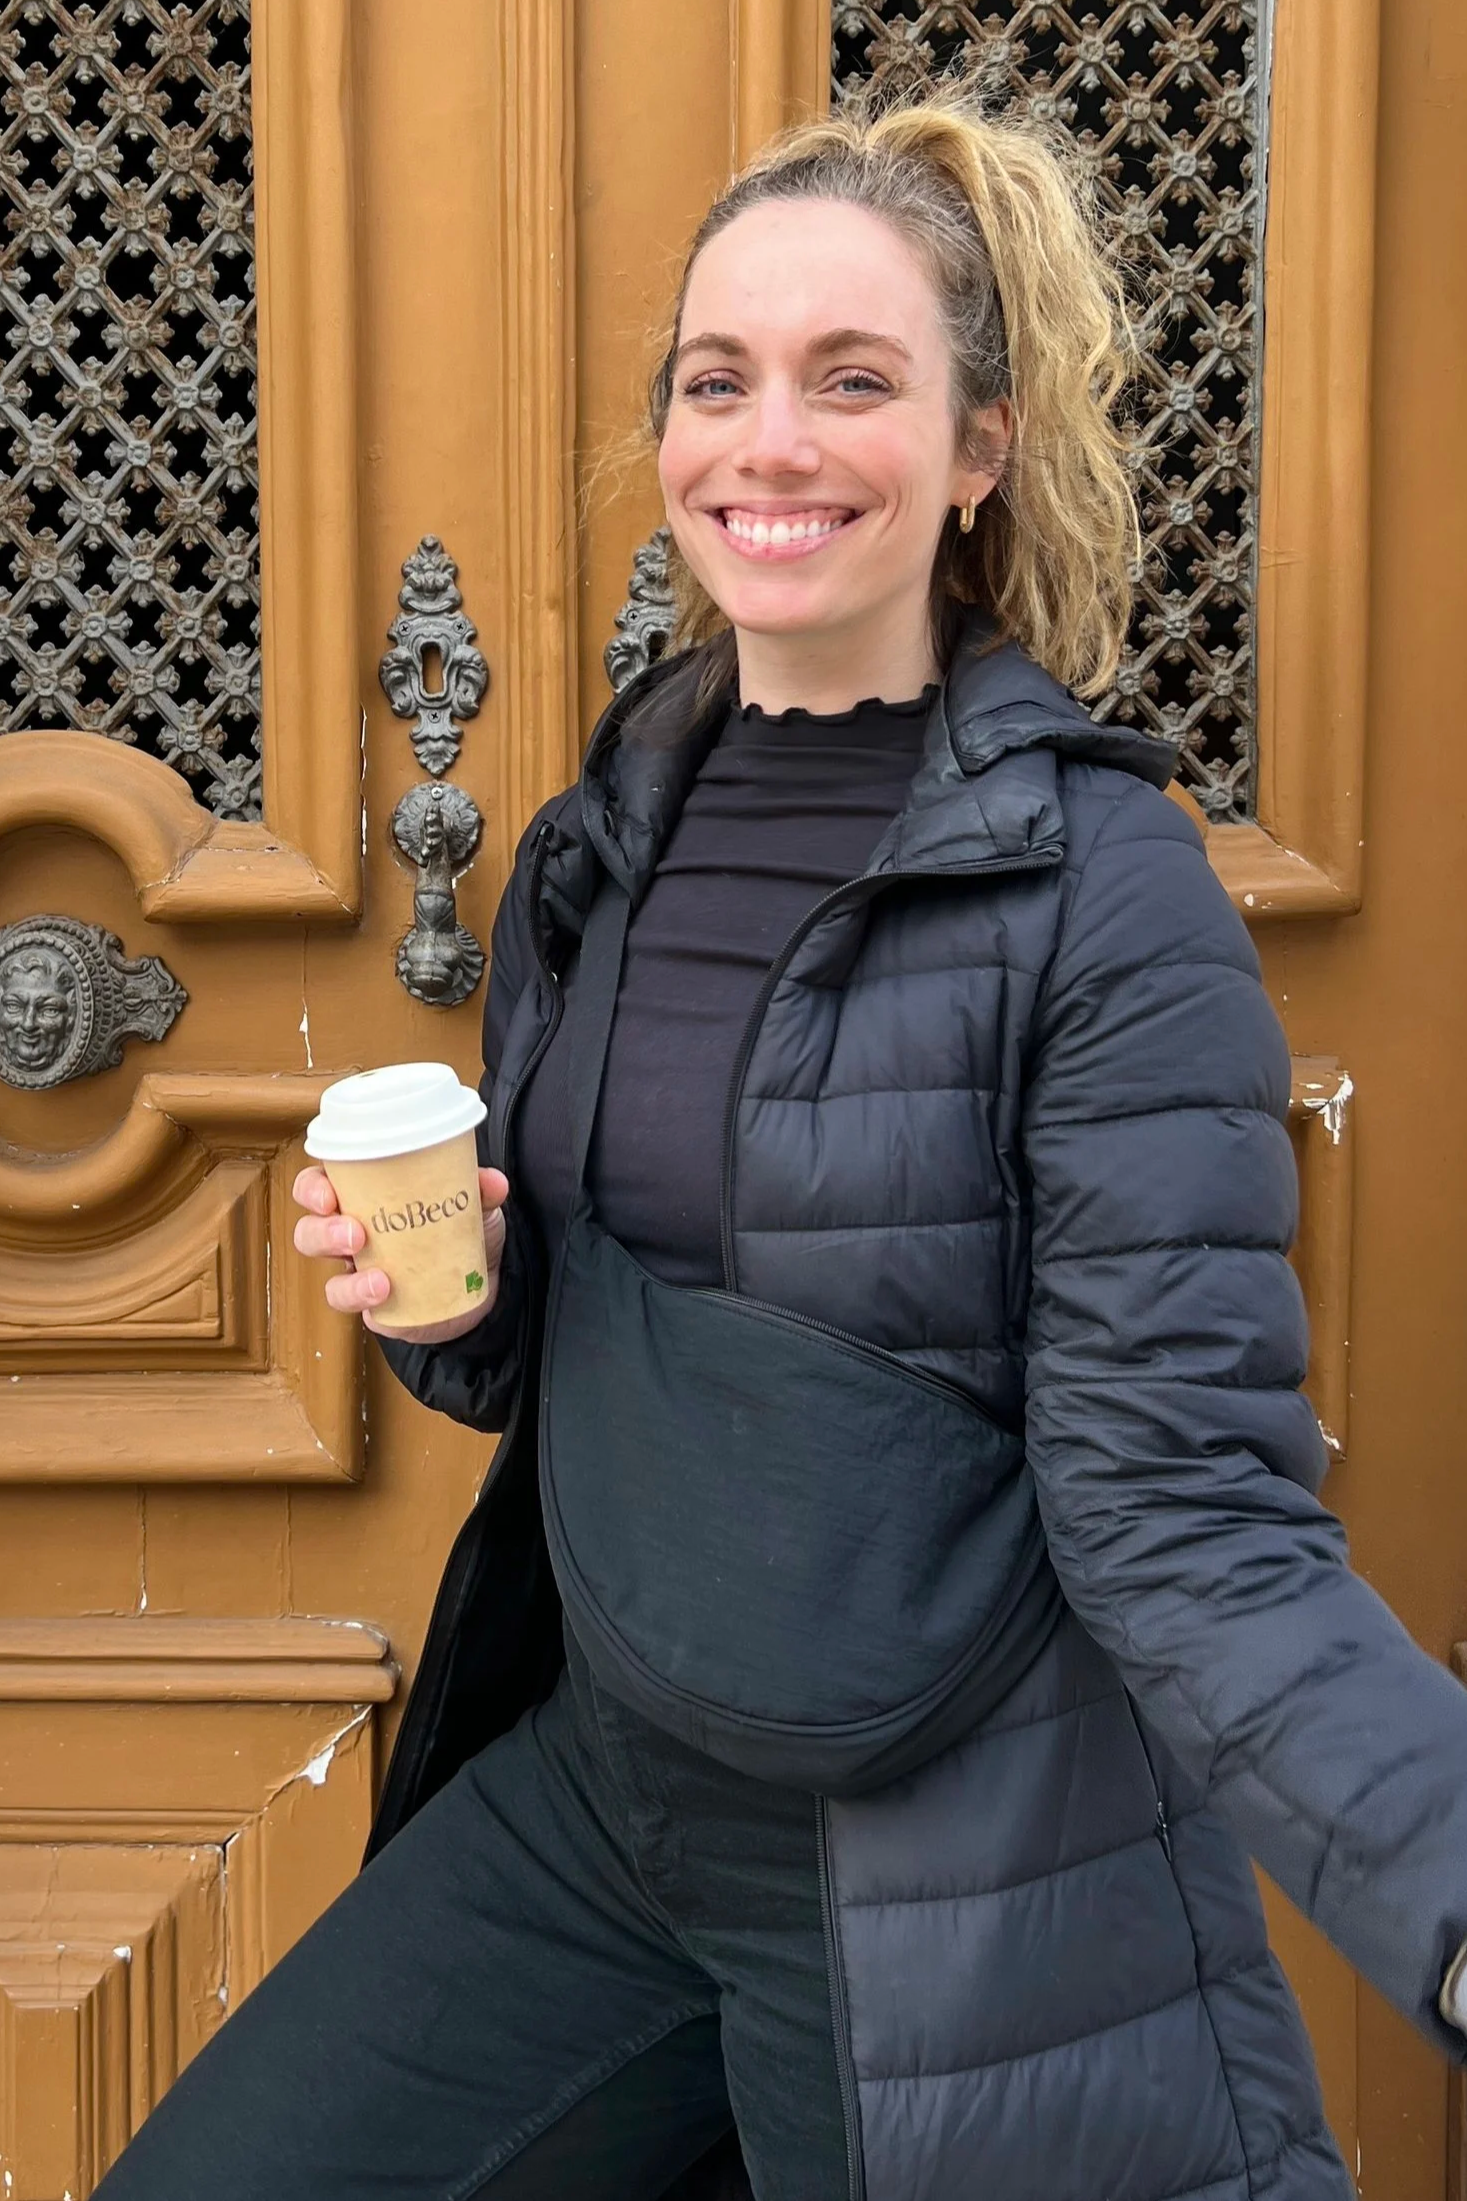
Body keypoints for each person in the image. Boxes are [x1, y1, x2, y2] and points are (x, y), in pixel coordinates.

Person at [97, 79, 1467, 2201]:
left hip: (940, 1851)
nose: (771, 441)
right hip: (609, 1790)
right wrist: (445, 1301)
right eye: (718, 380)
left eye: (853, 379)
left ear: (976, 449)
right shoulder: (600, 837)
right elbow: (589, 1336)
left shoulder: (1105, 895)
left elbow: (1191, 1513)